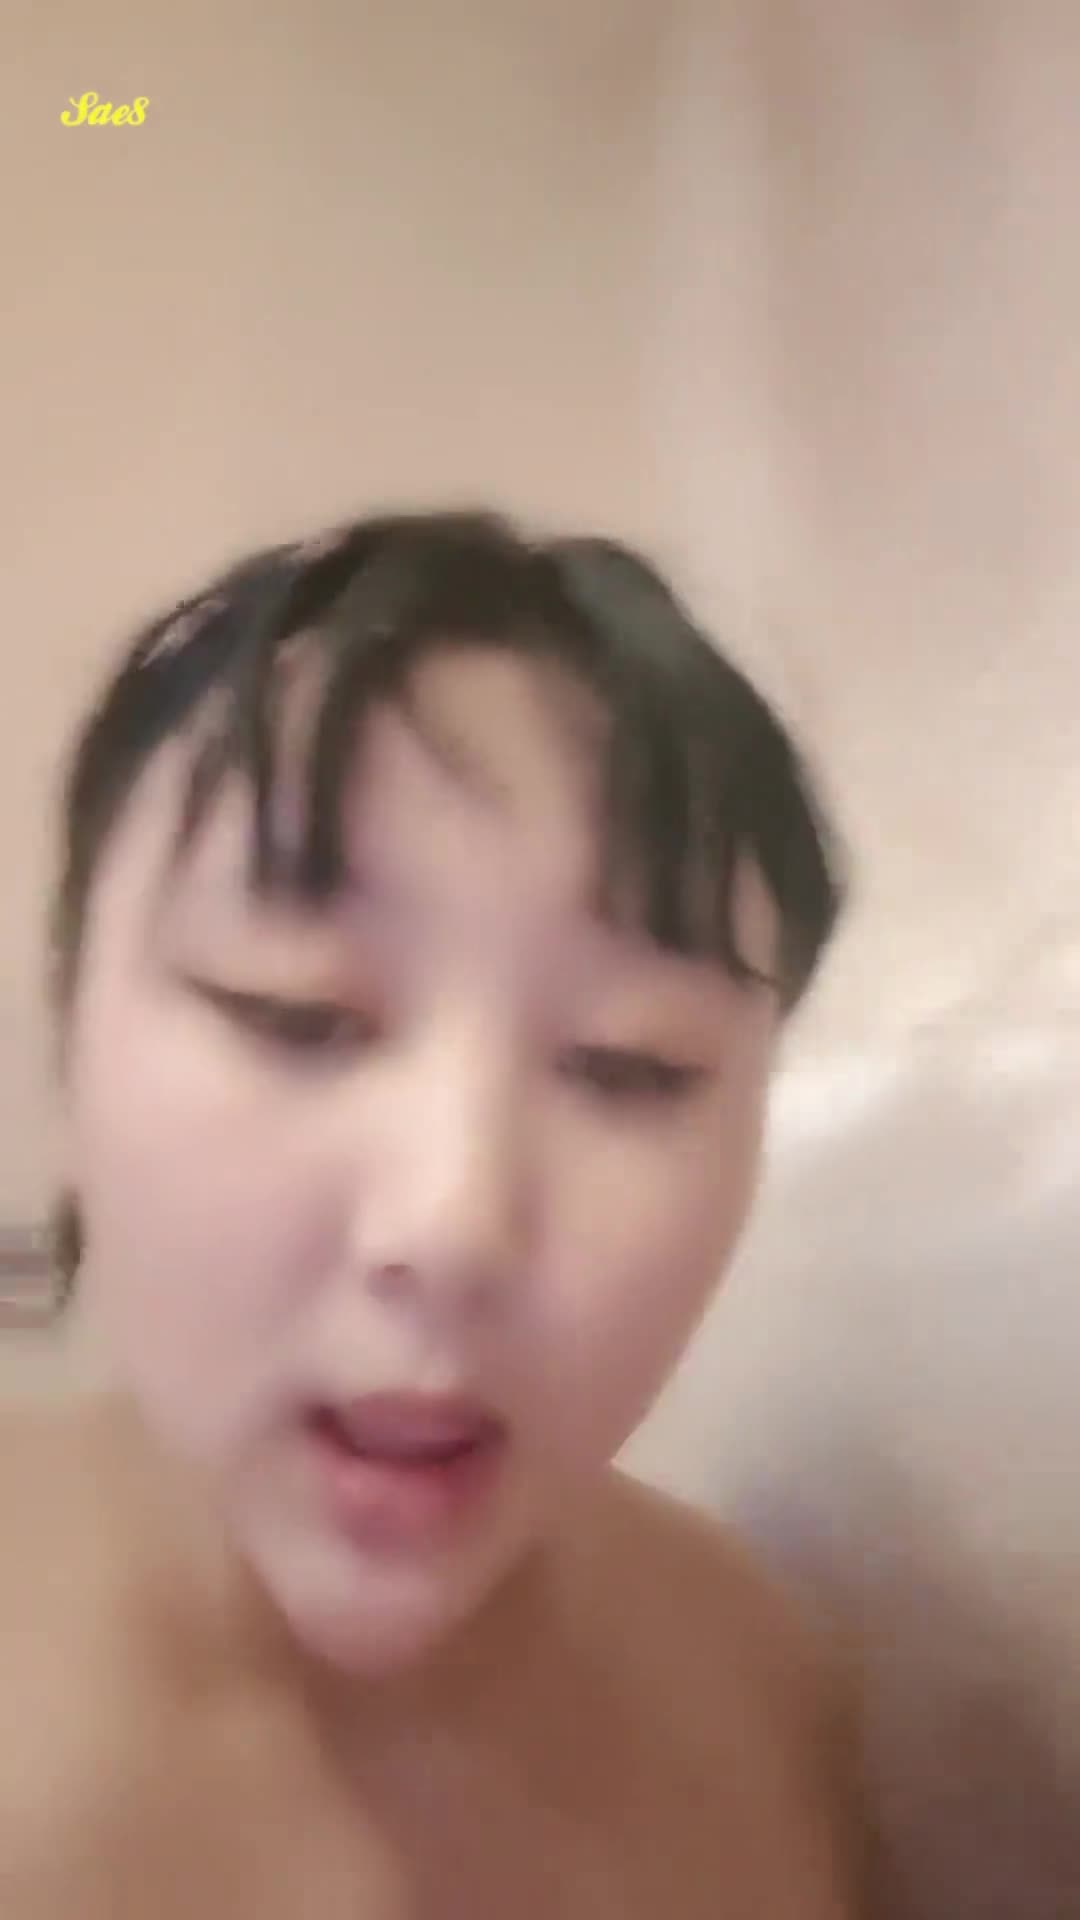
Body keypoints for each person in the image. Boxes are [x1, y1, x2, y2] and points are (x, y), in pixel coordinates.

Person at [0, 510, 867, 1916]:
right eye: (293, 1015)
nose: (453, 1226)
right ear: (66, 1050)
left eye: (633, 1066)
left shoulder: (772, 1688)